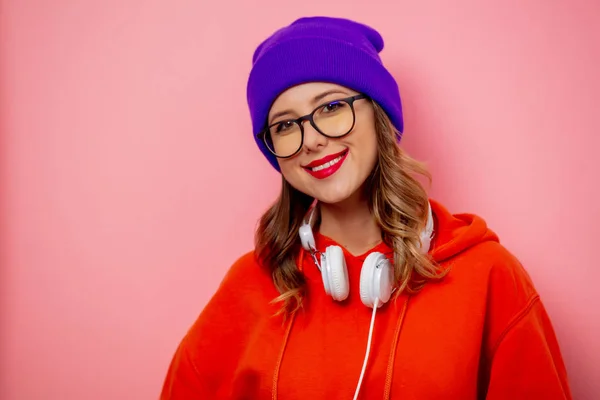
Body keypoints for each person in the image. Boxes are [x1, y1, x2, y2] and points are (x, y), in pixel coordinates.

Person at [160, 16, 572, 399]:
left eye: (331, 107)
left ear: (378, 114)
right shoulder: (247, 287)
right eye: (285, 125)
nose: (313, 139)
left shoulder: (489, 276)